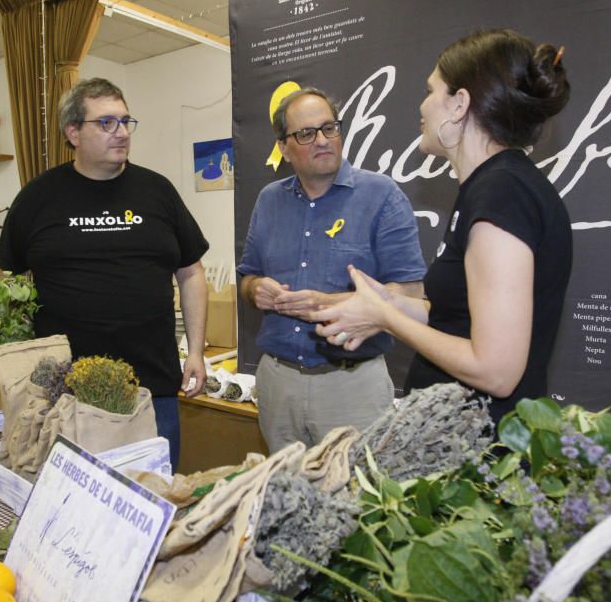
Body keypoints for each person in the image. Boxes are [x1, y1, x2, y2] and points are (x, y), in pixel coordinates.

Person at [312, 29, 572, 424]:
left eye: (431, 90)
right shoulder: (492, 187)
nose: (422, 105)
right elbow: (461, 321)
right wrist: (391, 304)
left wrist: (385, 319)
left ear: (459, 104)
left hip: (478, 459)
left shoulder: (502, 194)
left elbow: (496, 372)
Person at [0, 77, 209, 470]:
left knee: (155, 497)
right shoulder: (38, 197)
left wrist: (195, 351)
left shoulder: (157, 191)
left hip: (153, 382)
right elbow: (5, 279)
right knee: (70, 503)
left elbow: (191, 271)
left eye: (126, 121)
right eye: (106, 123)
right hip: (65, 390)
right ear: (73, 132)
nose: (122, 132)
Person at [237, 87, 427, 454]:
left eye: (330, 128)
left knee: (358, 503)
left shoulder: (382, 196)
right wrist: (255, 288)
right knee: (285, 500)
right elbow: (246, 279)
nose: (322, 141)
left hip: (352, 386)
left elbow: (411, 295)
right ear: (283, 147)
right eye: (306, 134)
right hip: (278, 383)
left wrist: (330, 303)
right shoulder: (268, 200)